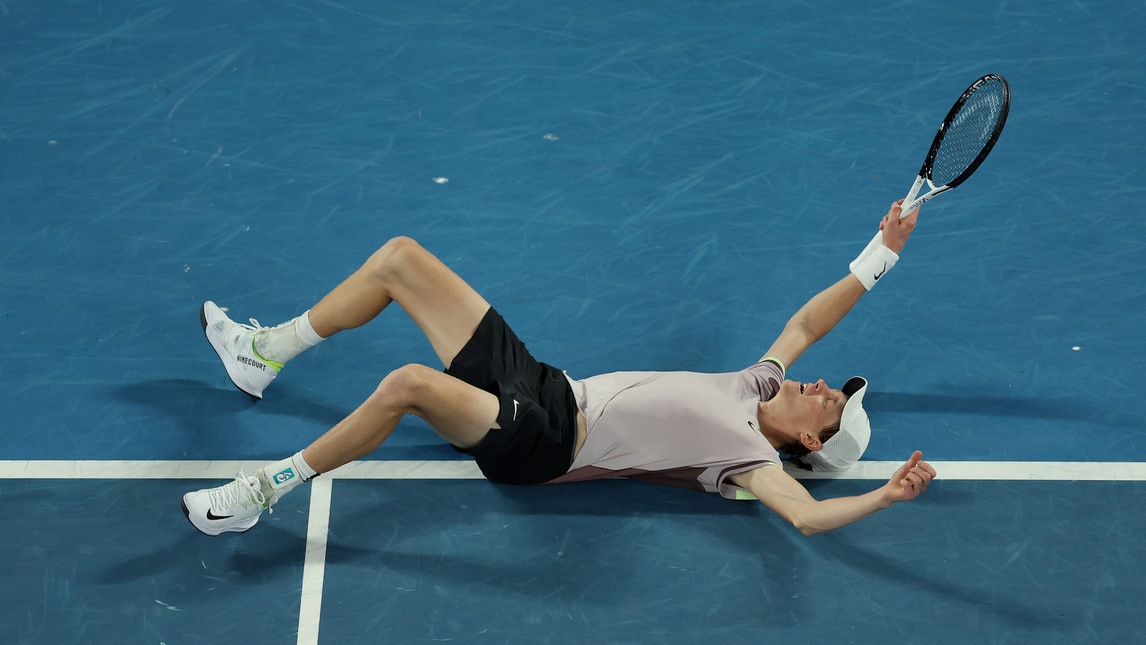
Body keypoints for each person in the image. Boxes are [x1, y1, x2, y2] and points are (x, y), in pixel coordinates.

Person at [181, 200, 935, 537]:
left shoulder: (745, 460)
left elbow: (804, 517)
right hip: (543, 382)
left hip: (543, 443)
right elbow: (807, 321)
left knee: (407, 383)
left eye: (828, 404)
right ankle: (263, 353)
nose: (819, 385)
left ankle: (261, 489)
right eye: (832, 384)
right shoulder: (758, 385)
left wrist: (882, 497)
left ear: (809, 444)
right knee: (400, 259)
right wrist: (881, 257)